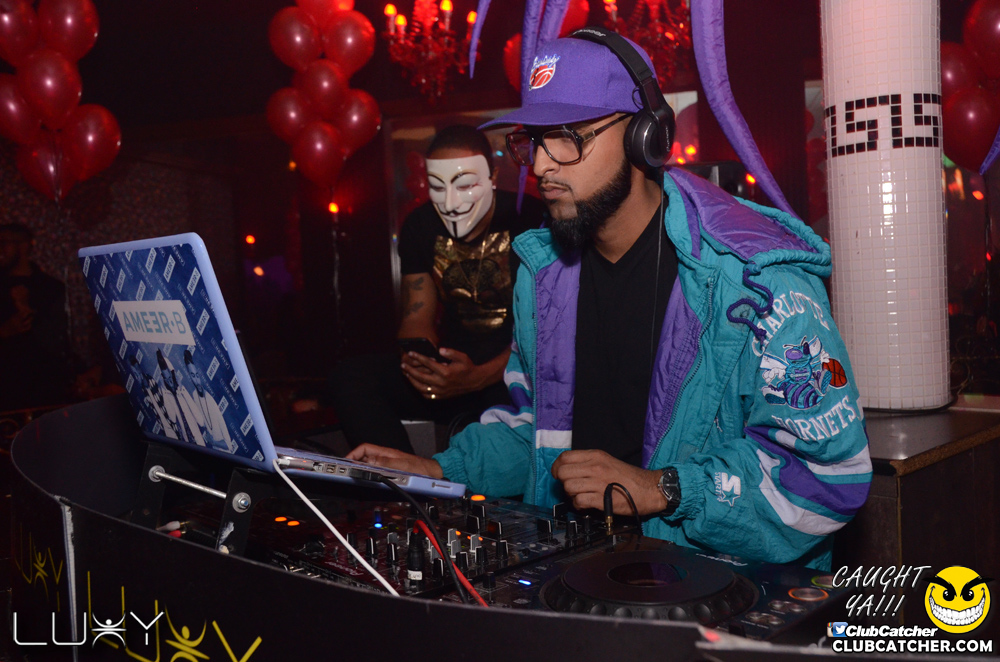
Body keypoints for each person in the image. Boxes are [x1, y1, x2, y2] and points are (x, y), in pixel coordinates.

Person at [349, 30, 871, 569]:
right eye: (533, 141)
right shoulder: (543, 276)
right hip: (578, 576)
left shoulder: (758, 281)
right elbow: (535, 430)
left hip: (719, 589)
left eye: (568, 137)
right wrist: (438, 470)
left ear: (646, 136)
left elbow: (831, 477)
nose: (541, 166)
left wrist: (665, 488)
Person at [330, 125, 546, 453]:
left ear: (492, 177)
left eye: (465, 185)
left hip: (517, 373)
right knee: (352, 377)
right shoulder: (421, 225)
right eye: (437, 186)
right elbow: (417, 314)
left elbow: (548, 329)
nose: (451, 202)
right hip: (453, 366)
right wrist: (422, 365)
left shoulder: (529, 218)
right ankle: (403, 479)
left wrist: (481, 376)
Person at [0, 222, 75, 411]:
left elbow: (57, 343)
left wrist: (26, 308)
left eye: (4, 243)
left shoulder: (50, 288)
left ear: (24, 245)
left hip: (42, 392)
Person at [181, 349, 235, 453]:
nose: (196, 381)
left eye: (197, 375)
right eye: (193, 376)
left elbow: (229, 445)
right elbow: (202, 422)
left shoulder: (211, 401)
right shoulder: (194, 395)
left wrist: (213, 442)